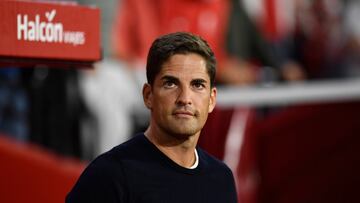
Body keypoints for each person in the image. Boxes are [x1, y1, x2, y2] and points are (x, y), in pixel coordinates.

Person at [66, 32, 237, 203]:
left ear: (212, 99)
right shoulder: (109, 175)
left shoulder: (222, 179)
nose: (185, 98)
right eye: (170, 84)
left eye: (197, 85)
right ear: (148, 95)